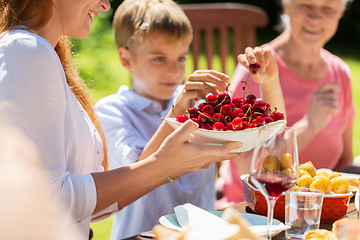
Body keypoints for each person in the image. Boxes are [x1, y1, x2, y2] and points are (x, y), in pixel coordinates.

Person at [0, 0, 243, 238]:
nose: (106, 5)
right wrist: (162, 166)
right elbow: (50, 200)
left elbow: (88, 207)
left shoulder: (39, 51)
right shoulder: (26, 50)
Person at [95, 0, 285, 238]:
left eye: (181, 58)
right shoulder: (112, 111)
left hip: (202, 234)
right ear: (126, 59)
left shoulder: (200, 106)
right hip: (142, 236)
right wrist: (177, 111)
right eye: (159, 59)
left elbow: (269, 142)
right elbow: (139, 173)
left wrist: (269, 83)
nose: (174, 71)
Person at [217, 0, 356, 208]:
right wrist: (309, 126)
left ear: (341, 12)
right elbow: (247, 168)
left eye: (327, 8)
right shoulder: (259, 70)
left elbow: (343, 165)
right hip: (254, 211)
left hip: (316, 214)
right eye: (306, 5)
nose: (315, 16)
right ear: (287, 5)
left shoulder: (340, 73)